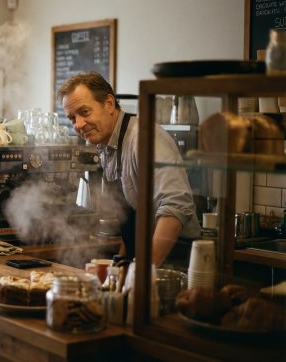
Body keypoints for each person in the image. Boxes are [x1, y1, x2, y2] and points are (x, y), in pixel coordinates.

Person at [57, 72, 200, 267]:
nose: (79, 124)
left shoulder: (144, 138)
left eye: (84, 112)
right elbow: (130, 214)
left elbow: (176, 206)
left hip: (173, 261)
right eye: (72, 118)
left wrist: (142, 271)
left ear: (108, 104)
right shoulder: (108, 144)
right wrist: (121, 260)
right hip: (141, 260)